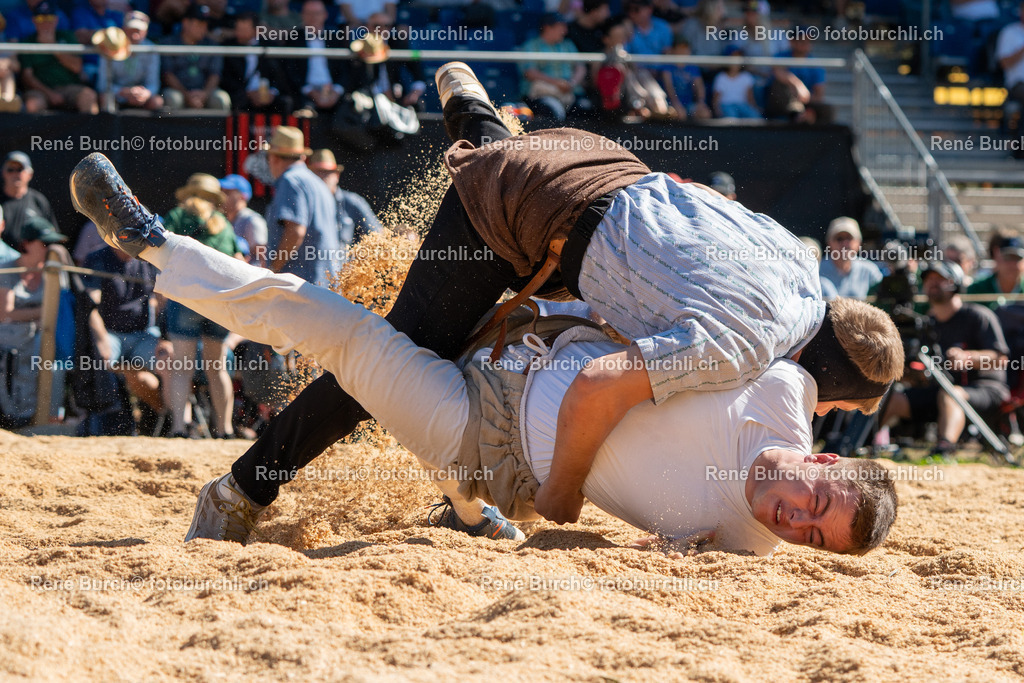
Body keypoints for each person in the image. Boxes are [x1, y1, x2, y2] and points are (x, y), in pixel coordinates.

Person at [69, 62, 903, 543]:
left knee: (403, 348)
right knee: (378, 351)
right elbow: (605, 385)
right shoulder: (748, 360)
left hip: (595, 166)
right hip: (527, 224)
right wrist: (562, 500)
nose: (799, 517)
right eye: (833, 406)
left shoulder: (796, 268)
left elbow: (694, 204)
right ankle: (246, 487)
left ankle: (475, 115)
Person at [882, 261, 1010, 457]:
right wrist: (913, 375)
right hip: (939, 390)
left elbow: (1000, 359)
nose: (932, 283)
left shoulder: (978, 316)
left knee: (950, 395)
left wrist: (969, 357)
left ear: (955, 282)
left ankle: (943, 451)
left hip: (985, 390)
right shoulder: (927, 323)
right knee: (893, 398)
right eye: (928, 279)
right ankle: (859, 445)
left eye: (939, 278)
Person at [160, 173, 240, 438]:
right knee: (217, 367)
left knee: (182, 367)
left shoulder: (176, 217)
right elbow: (235, 260)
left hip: (186, 298)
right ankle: (225, 430)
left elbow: (162, 251)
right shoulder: (223, 223)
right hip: (218, 301)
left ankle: (179, 428)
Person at [82, 244, 170, 432]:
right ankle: (111, 420)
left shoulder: (149, 258)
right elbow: (90, 307)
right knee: (100, 363)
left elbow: (162, 301)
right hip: (110, 334)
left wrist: (165, 338)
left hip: (143, 335)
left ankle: (173, 421)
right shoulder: (97, 259)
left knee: (170, 361)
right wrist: (101, 340)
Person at [0, 216, 67, 428]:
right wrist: (44, 313)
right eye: (45, 243)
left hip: (43, 339)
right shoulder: (8, 268)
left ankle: (51, 419)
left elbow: (62, 310)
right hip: (12, 344)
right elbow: (5, 313)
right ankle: (19, 418)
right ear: (26, 244)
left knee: (56, 364)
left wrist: (40, 317)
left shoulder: (54, 271)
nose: (50, 249)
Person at [261, 127, 341, 288]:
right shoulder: (317, 182)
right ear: (302, 156)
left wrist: (273, 272)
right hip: (325, 283)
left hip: (302, 287)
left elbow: (295, 231)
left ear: (274, 158)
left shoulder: (290, 181)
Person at [20, 1, 99, 114]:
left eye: (50, 19)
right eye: (41, 19)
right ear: (34, 21)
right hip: (41, 90)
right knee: (33, 104)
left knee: (88, 96)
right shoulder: (27, 42)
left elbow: (77, 67)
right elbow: (28, 77)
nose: (46, 23)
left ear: (56, 20)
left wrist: (52, 46)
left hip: (69, 87)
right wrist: (49, 93)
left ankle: (91, 126)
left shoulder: (67, 37)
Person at [307, 149, 384, 258]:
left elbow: (376, 236)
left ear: (336, 175)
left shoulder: (352, 202)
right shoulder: (306, 204)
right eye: (317, 173)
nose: (322, 178)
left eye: (326, 173)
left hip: (344, 266)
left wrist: (358, 260)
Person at [160, 3, 230, 111]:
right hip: (178, 91)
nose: (204, 28)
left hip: (205, 92)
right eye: (199, 24)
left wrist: (204, 94)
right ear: (185, 23)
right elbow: (168, 75)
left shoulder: (212, 45)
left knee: (221, 98)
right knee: (172, 98)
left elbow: (215, 74)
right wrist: (186, 95)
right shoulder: (168, 43)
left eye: (206, 24)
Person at [518, 13, 587, 122]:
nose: (565, 31)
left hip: (570, 92)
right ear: (547, 28)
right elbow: (530, 73)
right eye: (561, 27)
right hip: (543, 93)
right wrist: (556, 83)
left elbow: (580, 68)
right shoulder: (531, 46)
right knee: (553, 110)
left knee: (585, 107)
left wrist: (571, 83)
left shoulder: (568, 45)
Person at [220, 12, 290, 114]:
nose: (239, 33)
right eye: (238, 29)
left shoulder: (270, 46)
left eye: (244, 30)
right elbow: (227, 79)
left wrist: (272, 92)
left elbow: (280, 75)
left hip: (267, 94)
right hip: (242, 95)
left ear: (256, 30)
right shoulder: (229, 47)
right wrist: (248, 93)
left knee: (285, 102)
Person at [96, 11, 163, 111]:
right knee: (105, 98)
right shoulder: (110, 46)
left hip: (141, 97)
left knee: (157, 101)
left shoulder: (152, 49)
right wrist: (123, 92)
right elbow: (102, 84)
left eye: (138, 31)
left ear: (146, 32)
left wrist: (145, 93)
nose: (135, 36)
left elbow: (153, 84)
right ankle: (108, 121)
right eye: (131, 30)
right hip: (117, 95)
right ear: (124, 29)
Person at [765, 31, 831, 124]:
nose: (805, 44)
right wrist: (798, 85)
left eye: (808, 41)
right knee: (778, 85)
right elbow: (777, 73)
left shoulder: (816, 64)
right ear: (792, 41)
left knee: (827, 110)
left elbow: (819, 93)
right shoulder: (780, 57)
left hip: (806, 103)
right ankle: (799, 115)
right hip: (782, 102)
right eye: (802, 40)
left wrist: (806, 103)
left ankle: (804, 117)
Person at [1, 151, 60, 250]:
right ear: (3, 173)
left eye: (20, 169)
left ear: (30, 174)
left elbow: (52, 235)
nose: (15, 174)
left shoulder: (39, 200)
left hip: (34, 258)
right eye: (10, 170)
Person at [818, 217, 883, 300]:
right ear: (829, 243)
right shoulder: (817, 270)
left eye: (849, 238)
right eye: (839, 239)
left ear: (859, 242)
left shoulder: (870, 271)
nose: (845, 244)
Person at [218, 174, 267, 267]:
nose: (222, 196)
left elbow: (264, 257)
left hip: (250, 274)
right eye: (222, 191)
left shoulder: (253, 220)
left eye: (227, 192)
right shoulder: (222, 220)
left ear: (242, 196)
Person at [966, 235, 1024, 310]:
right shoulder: (977, 289)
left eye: (1017, 258)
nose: (1012, 264)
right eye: (1007, 258)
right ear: (996, 255)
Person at [712, 47, 760, 119]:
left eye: (738, 60)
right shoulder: (721, 77)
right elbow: (716, 99)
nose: (736, 63)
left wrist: (755, 109)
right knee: (732, 117)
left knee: (755, 116)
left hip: (742, 105)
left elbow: (750, 98)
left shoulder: (746, 76)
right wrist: (717, 111)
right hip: (726, 105)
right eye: (733, 59)